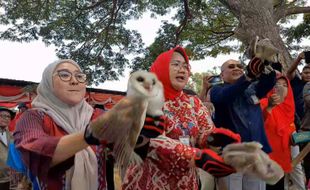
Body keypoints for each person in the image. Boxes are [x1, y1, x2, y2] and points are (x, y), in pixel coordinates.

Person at [13, 59, 143, 190]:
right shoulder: (33, 117)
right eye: (64, 75)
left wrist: (144, 131)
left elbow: (127, 149)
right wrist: (89, 135)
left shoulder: (97, 115)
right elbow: (35, 151)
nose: (74, 81)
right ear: (48, 83)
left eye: (79, 76)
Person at [210, 58, 276, 190]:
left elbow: (268, 83)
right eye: (231, 66)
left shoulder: (252, 88)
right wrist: (247, 77)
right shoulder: (217, 90)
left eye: (240, 66)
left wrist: (268, 65)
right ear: (222, 75)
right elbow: (225, 96)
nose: (236, 68)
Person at [260, 74, 297, 189]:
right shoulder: (263, 102)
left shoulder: (289, 108)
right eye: (277, 84)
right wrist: (270, 107)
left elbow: (290, 129)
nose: (281, 87)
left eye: (285, 85)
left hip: (282, 157)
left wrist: (294, 139)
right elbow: (259, 123)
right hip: (266, 158)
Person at [286, 51, 308, 130]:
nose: (308, 75)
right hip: (293, 119)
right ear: (301, 74)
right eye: (306, 73)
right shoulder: (296, 82)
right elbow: (289, 72)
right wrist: (298, 59)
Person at [0, 106, 15, 189]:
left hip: (8, 177)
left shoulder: (11, 136)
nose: (5, 118)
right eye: (2, 116)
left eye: (8, 116)